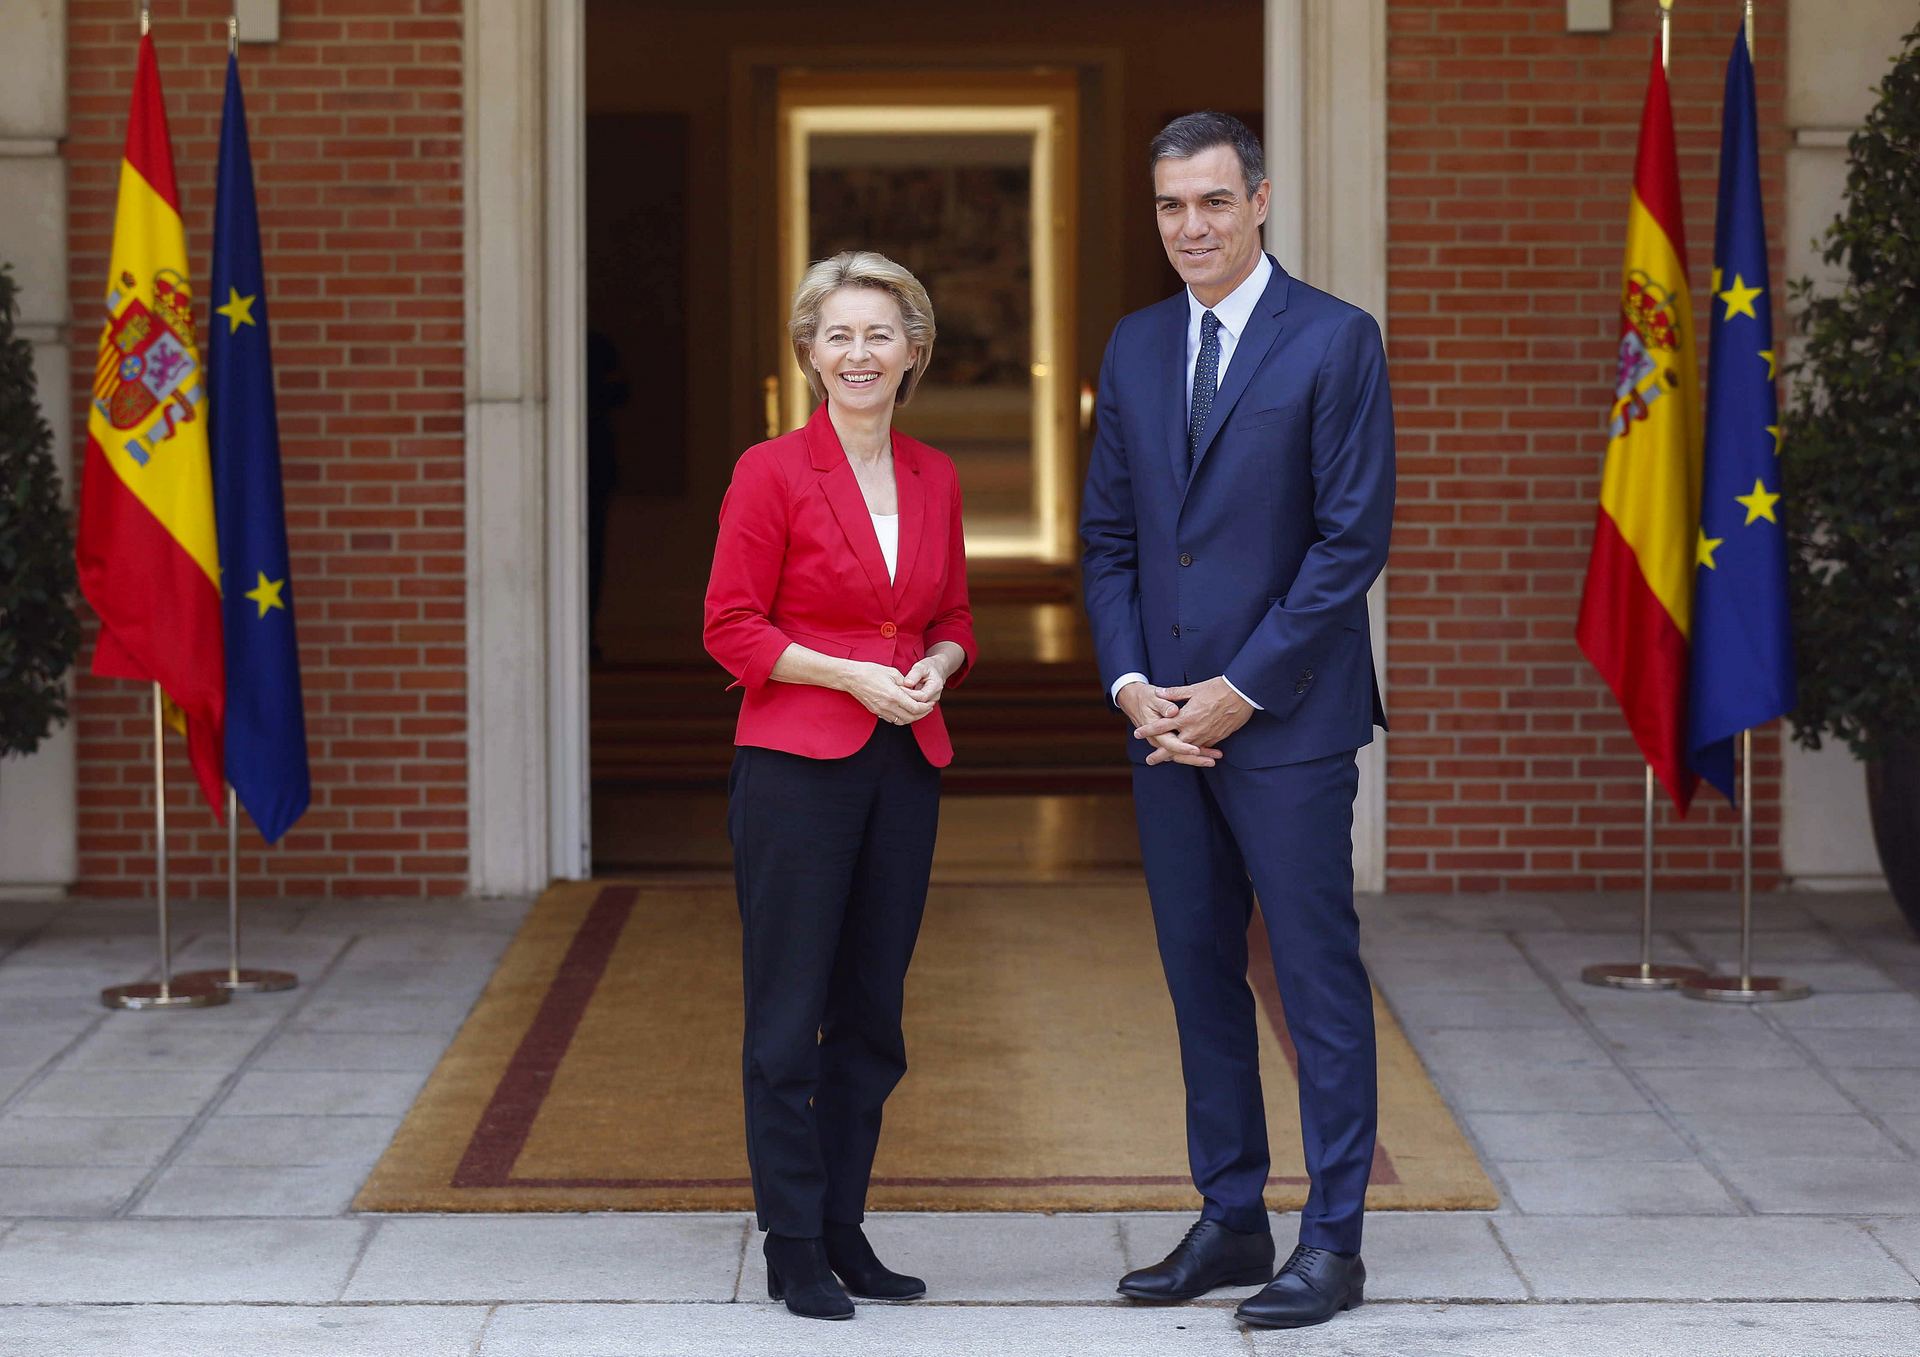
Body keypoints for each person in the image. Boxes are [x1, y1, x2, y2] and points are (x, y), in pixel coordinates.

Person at [1080, 111, 1395, 1331]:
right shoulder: (1139, 343)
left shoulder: (1334, 340)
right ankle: (1230, 1216)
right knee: (1198, 974)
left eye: (1213, 202)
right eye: (1170, 207)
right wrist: (1132, 686)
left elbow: (1346, 544)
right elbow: (1110, 539)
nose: (1191, 227)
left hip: (1290, 723)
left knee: (1314, 980)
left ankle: (1333, 1241)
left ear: (1259, 201)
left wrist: (1239, 687)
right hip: (1163, 724)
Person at [703, 250, 976, 1322]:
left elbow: (953, 618)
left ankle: (846, 1223)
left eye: (880, 334)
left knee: (872, 1011)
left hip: (905, 765)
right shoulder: (770, 471)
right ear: (810, 354)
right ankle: (791, 1237)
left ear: (913, 350)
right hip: (795, 769)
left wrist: (936, 666)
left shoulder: (936, 477)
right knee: (789, 1011)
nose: (859, 353)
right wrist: (850, 671)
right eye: (838, 335)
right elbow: (731, 626)